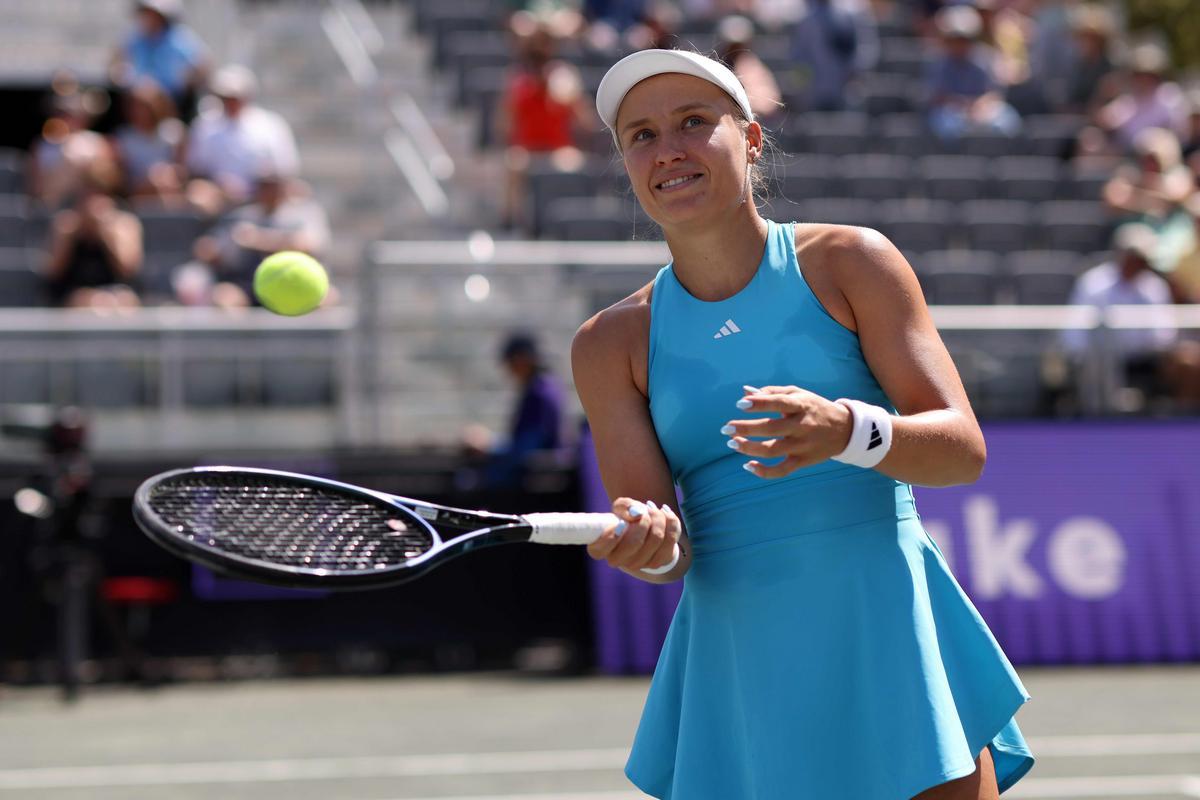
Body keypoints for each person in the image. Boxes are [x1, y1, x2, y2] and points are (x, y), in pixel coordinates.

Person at [574, 48, 1034, 799]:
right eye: (643, 136)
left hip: (888, 629)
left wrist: (849, 433)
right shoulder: (607, 344)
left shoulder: (854, 260)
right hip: (741, 660)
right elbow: (666, 549)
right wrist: (646, 547)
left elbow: (961, 450)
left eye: (693, 122)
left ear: (751, 139)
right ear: (627, 164)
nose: (669, 150)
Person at [1062, 223, 1178, 408]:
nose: (1137, 263)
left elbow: (1164, 334)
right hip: (1099, 362)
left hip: (1144, 361)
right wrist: (1085, 357)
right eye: (1133, 257)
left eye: (1141, 259)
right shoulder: (1094, 283)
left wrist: (1145, 351)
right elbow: (1074, 332)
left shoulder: (1154, 286)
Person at [186, 169, 330, 309]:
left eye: (274, 186)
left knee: (327, 300)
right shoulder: (240, 216)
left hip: (295, 284)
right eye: (264, 186)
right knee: (223, 299)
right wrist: (210, 249)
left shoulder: (301, 215)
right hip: (245, 285)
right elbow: (214, 250)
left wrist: (258, 240)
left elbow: (308, 245)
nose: (270, 191)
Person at [184, 65, 300, 216]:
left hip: (263, 193)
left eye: (236, 97)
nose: (231, 102)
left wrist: (260, 182)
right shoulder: (204, 125)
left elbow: (285, 168)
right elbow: (195, 169)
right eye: (226, 97)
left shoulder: (271, 124)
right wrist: (221, 186)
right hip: (216, 196)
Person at [462, 332, 567, 487]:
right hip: (537, 467)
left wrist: (489, 446)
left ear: (522, 359)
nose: (509, 370)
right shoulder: (543, 386)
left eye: (510, 362)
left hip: (537, 474)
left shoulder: (540, 392)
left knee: (470, 481)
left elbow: (527, 447)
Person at [43, 162, 143, 309]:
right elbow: (53, 272)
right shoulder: (66, 224)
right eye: (87, 195)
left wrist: (106, 234)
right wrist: (71, 235)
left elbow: (128, 270)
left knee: (125, 301)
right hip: (73, 294)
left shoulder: (124, 224)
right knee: (86, 302)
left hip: (116, 293)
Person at [923, 4, 1020, 140]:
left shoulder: (986, 57)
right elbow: (936, 96)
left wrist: (979, 107)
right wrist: (961, 105)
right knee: (946, 125)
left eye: (964, 39)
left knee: (1006, 122)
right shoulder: (938, 62)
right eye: (954, 39)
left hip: (982, 109)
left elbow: (994, 93)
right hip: (952, 111)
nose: (959, 44)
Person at [110, 0, 210, 111]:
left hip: (170, 99)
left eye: (153, 14)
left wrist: (186, 82)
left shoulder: (179, 38)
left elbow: (203, 65)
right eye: (146, 13)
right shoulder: (135, 37)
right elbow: (115, 60)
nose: (148, 18)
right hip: (136, 94)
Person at [788, 0, 879, 112]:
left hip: (847, 89)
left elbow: (864, 51)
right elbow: (798, 58)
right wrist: (804, 87)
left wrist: (855, 75)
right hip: (815, 92)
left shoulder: (853, 14)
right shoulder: (806, 21)